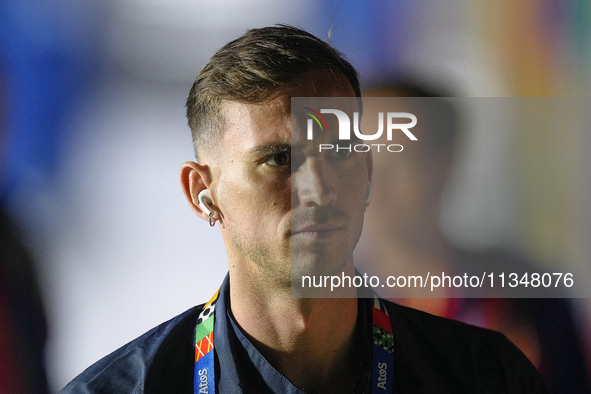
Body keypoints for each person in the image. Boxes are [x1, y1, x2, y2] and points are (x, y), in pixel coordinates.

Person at [60, 25, 550, 394]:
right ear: (202, 193)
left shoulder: (485, 377)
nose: (317, 189)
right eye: (278, 160)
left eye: (338, 153)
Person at [359, 80, 590, 394]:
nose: (375, 182)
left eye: (399, 160)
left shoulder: (525, 294)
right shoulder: (326, 314)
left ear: (445, 162)